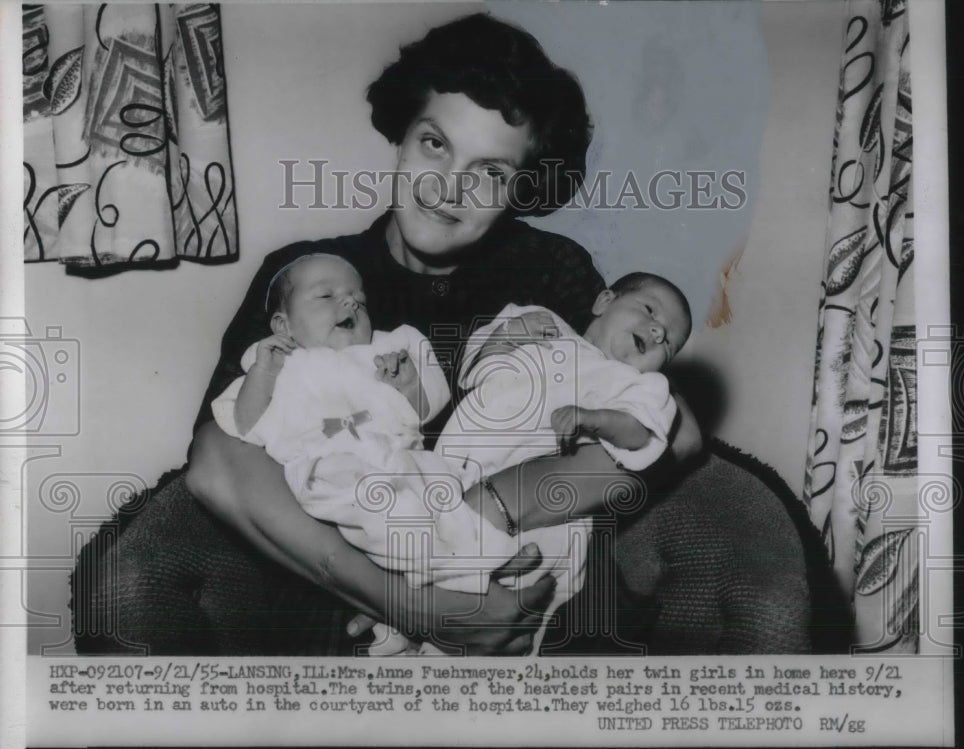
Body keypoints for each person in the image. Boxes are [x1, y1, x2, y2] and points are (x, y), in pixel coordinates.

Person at [186, 12, 703, 656]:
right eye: (435, 143)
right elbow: (218, 466)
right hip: (347, 575)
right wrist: (418, 605)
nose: (449, 186)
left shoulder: (551, 270)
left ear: (520, 189)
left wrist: (497, 506)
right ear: (402, 136)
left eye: (490, 172)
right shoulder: (311, 275)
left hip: (511, 563)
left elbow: (673, 434)